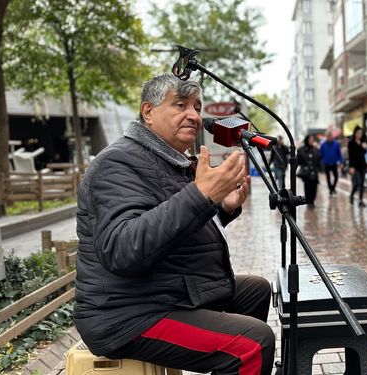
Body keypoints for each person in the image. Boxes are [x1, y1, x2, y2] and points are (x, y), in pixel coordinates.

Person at [74, 73, 275, 375]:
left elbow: (174, 224)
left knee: (256, 290)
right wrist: (201, 195)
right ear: (148, 112)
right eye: (180, 105)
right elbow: (122, 250)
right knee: (253, 344)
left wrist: (220, 207)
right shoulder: (117, 162)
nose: (193, 115)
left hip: (163, 291)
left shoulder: (170, 160)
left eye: (196, 106)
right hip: (125, 314)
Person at [298, 134, 321, 208]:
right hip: (306, 173)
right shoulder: (301, 150)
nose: (311, 141)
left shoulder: (316, 150)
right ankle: (308, 202)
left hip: (314, 172)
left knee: (314, 188)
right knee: (307, 187)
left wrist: (321, 169)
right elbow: (298, 160)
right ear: (307, 140)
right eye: (310, 139)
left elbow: (319, 160)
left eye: (312, 139)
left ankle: (312, 201)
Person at [347, 126, 367, 207]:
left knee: (362, 184)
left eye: (361, 133)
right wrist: (351, 167)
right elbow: (350, 155)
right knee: (357, 183)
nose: (359, 134)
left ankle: (361, 200)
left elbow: (365, 152)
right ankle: (352, 195)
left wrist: (363, 147)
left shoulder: (363, 142)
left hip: (362, 165)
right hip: (355, 166)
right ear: (355, 133)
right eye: (358, 133)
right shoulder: (351, 142)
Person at [319, 130, 344, 195]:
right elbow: (321, 155)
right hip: (326, 163)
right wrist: (321, 164)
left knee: (336, 176)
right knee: (328, 177)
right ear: (326, 137)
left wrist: (341, 162)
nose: (329, 137)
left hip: (334, 163)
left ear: (332, 136)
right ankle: (330, 189)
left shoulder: (336, 144)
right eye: (327, 136)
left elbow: (339, 154)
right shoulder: (323, 145)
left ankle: (333, 187)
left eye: (330, 136)